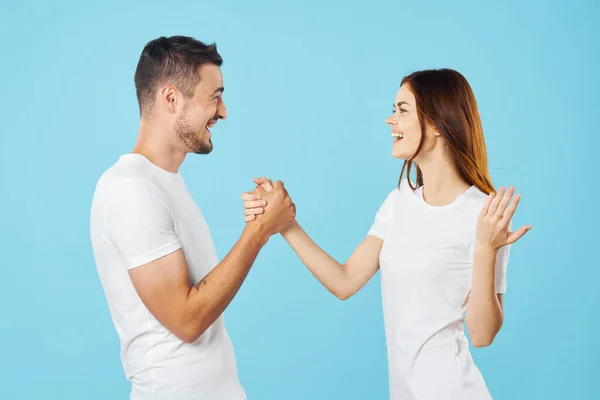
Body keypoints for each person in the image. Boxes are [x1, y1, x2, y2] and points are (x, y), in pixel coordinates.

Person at [241, 69, 532, 399]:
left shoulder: (484, 215)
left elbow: (482, 335)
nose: (390, 120)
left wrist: (485, 250)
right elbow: (345, 281)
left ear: (436, 123)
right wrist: (286, 225)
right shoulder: (398, 203)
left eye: (402, 110)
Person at [90, 36, 295, 400]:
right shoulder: (130, 190)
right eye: (214, 96)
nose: (224, 111)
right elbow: (187, 321)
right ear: (171, 99)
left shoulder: (164, 183)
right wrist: (258, 233)